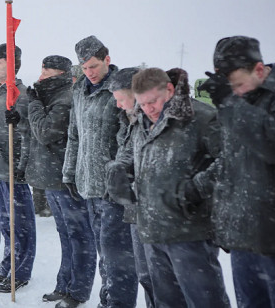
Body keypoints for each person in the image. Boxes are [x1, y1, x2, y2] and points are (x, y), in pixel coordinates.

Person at [116, 67, 229, 307]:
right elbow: (129, 155)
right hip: (151, 229)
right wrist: (119, 171)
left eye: (153, 102)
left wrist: (195, 189)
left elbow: (231, 162)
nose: (148, 109)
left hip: (190, 231)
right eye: (142, 103)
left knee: (205, 300)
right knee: (167, 302)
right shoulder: (140, 119)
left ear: (169, 90)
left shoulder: (201, 117)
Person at [199, 35, 275, 308]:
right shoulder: (237, 100)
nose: (236, 93)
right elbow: (231, 163)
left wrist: (229, 102)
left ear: (259, 70)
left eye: (238, 85)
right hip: (244, 236)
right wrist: (222, 219)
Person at [62, 35, 137, 308]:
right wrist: (70, 172)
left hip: (113, 189)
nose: (89, 73)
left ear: (107, 59)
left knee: (117, 256)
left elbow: (127, 141)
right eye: (84, 68)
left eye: (94, 66)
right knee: (103, 252)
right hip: (88, 184)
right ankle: (107, 301)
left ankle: (118, 303)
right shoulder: (80, 90)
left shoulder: (121, 90)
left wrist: (118, 180)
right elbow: (74, 135)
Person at [27, 55, 96, 308]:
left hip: (65, 178)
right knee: (66, 234)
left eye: (46, 70)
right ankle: (64, 284)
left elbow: (46, 132)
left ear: (59, 73)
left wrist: (33, 105)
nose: (41, 74)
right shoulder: (49, 95)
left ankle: (78, 291)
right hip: (51, 176)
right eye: (42, 68)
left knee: (79, 236)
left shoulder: (65, 98)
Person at [0, 43, 36, 293]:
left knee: (19, 224)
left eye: (0, 61)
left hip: (13, 170)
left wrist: (20, 167)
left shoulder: (19, 93)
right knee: (5, 222)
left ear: (12, 64)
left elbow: (27, 134)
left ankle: (20, 270)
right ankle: (7, 264)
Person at [105, 67, 156, 308]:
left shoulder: (158, 120)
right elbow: (128, 155)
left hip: (161, 213)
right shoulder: (134, 122)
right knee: (146, 275)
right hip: (138, 209)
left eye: (119, 99)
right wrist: (118, 171)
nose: (117, 105)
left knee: (162, 280)